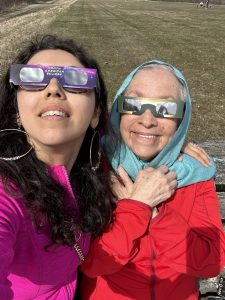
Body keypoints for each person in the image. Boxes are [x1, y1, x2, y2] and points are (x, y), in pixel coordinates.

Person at [80, 60, 225, 300]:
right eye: (134, 104)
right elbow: (93, 264)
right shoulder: (94, 165)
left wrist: (155, 215)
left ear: (182, 118)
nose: (147, 120)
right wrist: (137, 207)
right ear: (118, 110)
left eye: (166, 109)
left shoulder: (193, 173)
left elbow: (211, 262)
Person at [0, 34, 119, 299]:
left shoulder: (88, 169)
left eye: (76, 80)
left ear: (96, 114)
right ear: (17, 111)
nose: (53, 88)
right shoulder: (7, 190)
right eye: (32, 78)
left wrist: (173, 140)